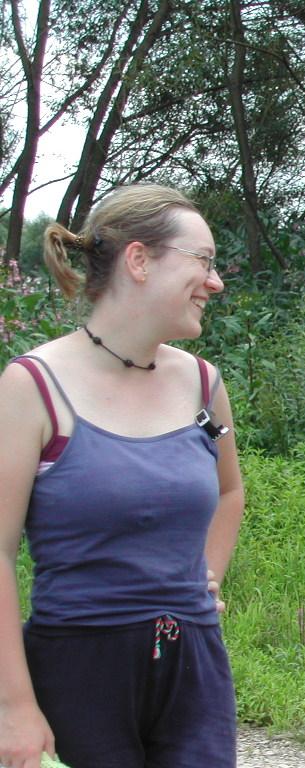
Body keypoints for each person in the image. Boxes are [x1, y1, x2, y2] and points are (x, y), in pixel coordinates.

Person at [0, 184, 244, 768]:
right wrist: (15, 707)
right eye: (203, 261)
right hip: (77, 673)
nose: (216, 282)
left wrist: (207, 577)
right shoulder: (31, 388)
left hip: (194, 673)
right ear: (139, 260)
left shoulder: (203, 383)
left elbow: (230, 490)